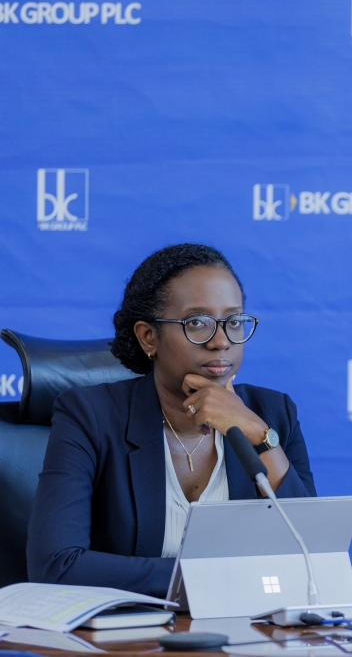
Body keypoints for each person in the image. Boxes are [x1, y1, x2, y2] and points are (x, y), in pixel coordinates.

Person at [27, 244, 316, 597]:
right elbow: (56, 565)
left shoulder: (273, 414)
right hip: (127, 638)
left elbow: (312, 556)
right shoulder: (91, 416)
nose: (221, 341)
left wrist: (257, 433)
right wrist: (213, 579)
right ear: (149, 337)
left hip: (244, 635)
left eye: (234, 321)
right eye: (197, 322)